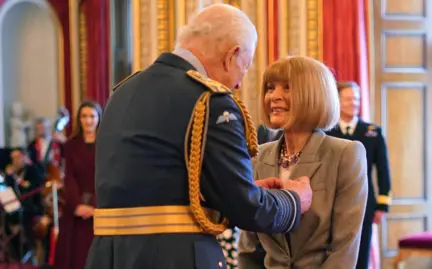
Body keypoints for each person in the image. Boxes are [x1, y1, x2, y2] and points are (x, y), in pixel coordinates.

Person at [85, 4, 312, 269]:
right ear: (232, 55)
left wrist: (233, 191)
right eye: (244, 67)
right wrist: (294, 201)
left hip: (106, 256)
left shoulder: (121, 93)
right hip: (172, 257)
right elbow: (245, 208)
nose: (239, 83)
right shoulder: (209, 100)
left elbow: (155, 185)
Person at [238, 56, 368, 268]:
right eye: (270, 88)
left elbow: (344, 249)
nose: (274, 96)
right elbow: (249, 248)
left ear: (315, 95)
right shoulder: (257, 156)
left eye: (287, 88)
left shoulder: (346, 154)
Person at [325, 81, 392, 269]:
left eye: (356, 98)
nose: (353, 103)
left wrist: (382, 205)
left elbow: (383, 170)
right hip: (332, 201)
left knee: (361, 252)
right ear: (338, 101)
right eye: (348, 99)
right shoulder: (327, 132)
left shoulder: (372, 132)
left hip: (364, 202)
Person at [53, 101, 102, 269]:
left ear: (98, 118)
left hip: (100, 208)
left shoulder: (107, 144)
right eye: (84, 116)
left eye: (92, 116)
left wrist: (96, 205)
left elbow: (105, 176)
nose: (88, 120)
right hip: (75, 208)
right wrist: (76, 205)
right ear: (79, 119)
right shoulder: (71, 145)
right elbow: (69, 178)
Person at [4, 147, 44, 261]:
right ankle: (16, 252)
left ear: (24, 157)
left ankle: (29, 249)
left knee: (24, 217)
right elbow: (8, 189)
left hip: (33, 206)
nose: (15, 161)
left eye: (17, 157)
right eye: (13, 158)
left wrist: (16, 178)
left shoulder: (32, 170)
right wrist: (8, 176)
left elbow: (32, 188)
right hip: (16, 207)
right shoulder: (13, 173)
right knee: (5, 218)